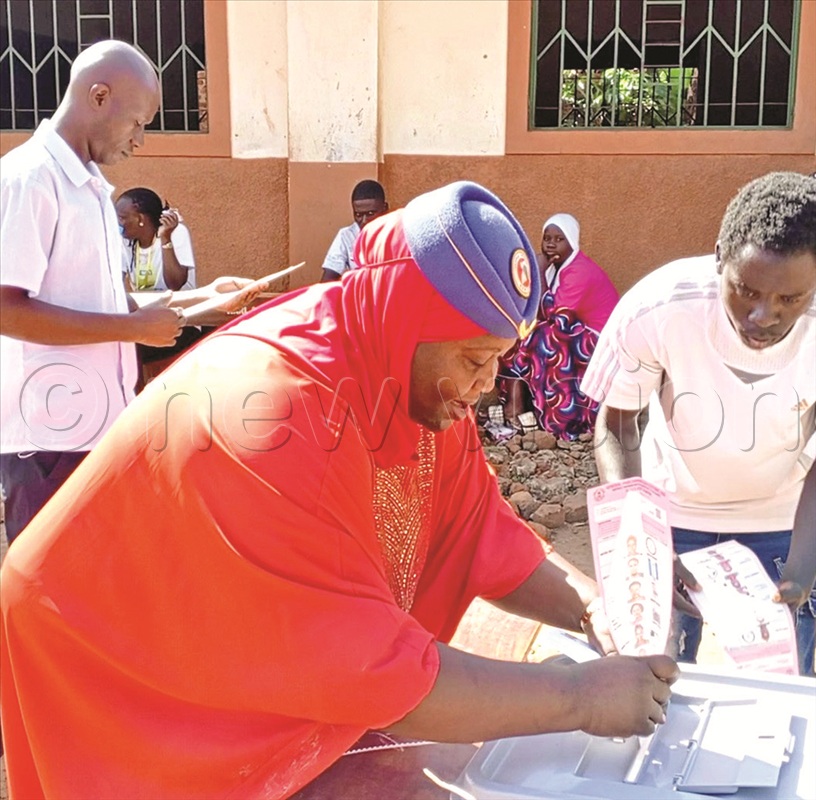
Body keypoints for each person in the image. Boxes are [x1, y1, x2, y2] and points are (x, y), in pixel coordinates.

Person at [0, 181, 678, 799]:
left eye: (498, 361)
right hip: (105, 643)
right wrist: (581, 695)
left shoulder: (412, 374)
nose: (484, 386)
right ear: (406, 322)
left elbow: (480, 528)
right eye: (475, 361)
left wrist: (594, 610)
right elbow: (380, 673)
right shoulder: (279, 417)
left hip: (234, 635)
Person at [0, 40, 264, 546]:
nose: (141, 139)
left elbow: (115, 309)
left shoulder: (96, 193)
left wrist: (208, 298)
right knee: (55, 607)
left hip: (100, 433)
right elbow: (7, 309)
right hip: (48, 444)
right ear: (98, 97)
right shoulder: (30, 179)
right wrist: (130, 329)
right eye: (138, 122)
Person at [582, 171, 816, 675]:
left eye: (789, 300)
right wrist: (639, 544)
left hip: (781, 524)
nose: (762, 316)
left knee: (782, 696)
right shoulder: (660, 308)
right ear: (718, 258)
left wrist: (802, 568)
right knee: (649, 681)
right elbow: (617, 423)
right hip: (671, 517)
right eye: (745, 290)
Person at [499, 213, 619, 440]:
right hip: (578, 333)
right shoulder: (560, 268)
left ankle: (561, 417)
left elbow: (557, 317)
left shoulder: (579, 271)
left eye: (559, 239)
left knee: (542, 340)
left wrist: (540, 272)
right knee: (525, 333)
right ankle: (517, 405)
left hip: (600, 341)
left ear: (572, 241)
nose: (551, 244)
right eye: (547, 238)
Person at [117, 186, 196, 292]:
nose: (117, 223)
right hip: (145, 306)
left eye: (122, 218)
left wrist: (166, 239)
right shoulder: (125, 239)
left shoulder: (176, 232)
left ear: (140, 219)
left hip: (177, 305)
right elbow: (115, 282)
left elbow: (175, 285)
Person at [320, 178, 389, 281]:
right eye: (358, 215)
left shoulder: (397, 234)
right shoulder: (346, 236)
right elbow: (327, 280)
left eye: (370, 214)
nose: (364, 221)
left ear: (384, 209)